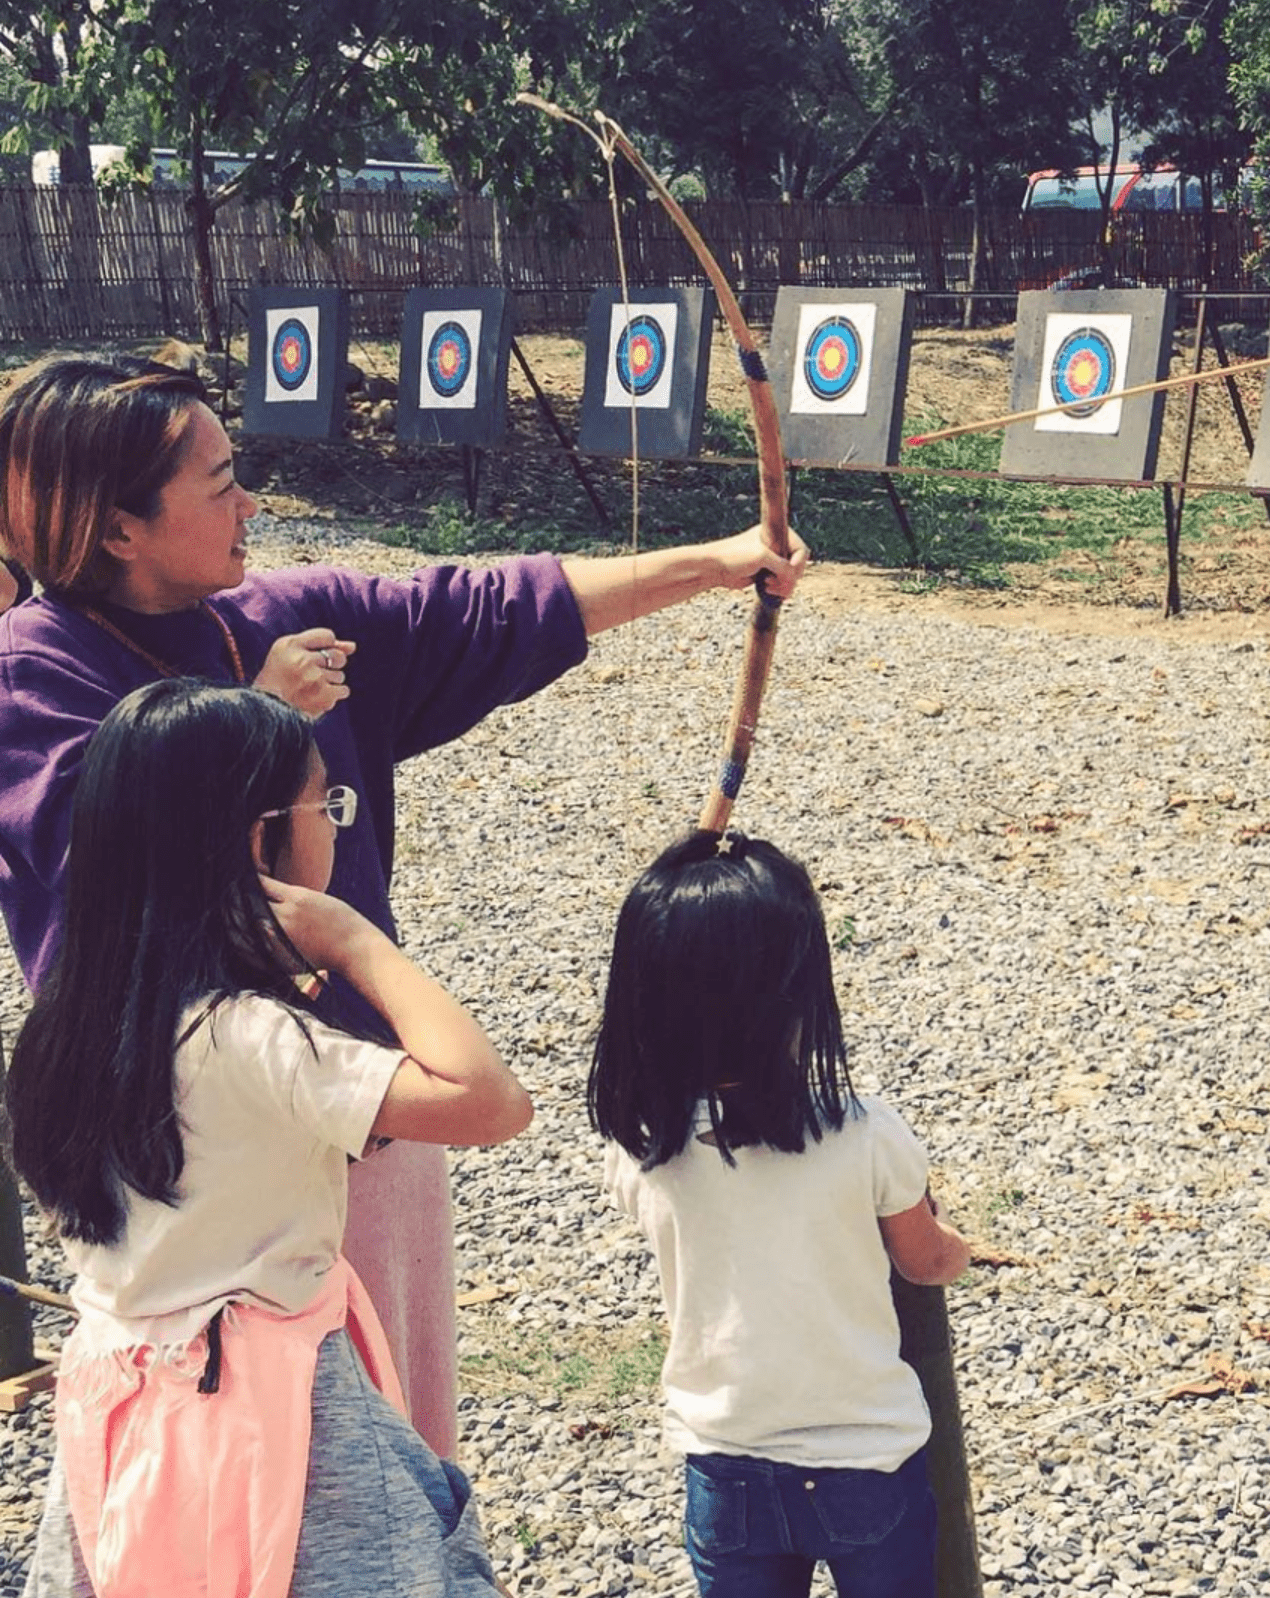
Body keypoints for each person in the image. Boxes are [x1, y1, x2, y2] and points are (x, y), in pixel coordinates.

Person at [0, 351, 806, 1454]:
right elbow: (98, 854)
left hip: (355, 1107)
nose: (252, 503)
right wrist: (255, 718)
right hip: (179, 1140)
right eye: (221, 483)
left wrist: (717, 564)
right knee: (207, 1445)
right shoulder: (31, 670)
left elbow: (487, 610)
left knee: (390, 1434)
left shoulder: (282, 611)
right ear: (118, 527)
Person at [4, 677, 532, 1596]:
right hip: (271, 1412)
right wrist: (355, 940)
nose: (337, 822)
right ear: (259, 838)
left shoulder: (64, 1032)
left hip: (119, 1400)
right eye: (326, 802)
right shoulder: (249, 1036)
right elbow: (489, 1101)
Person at [589, 832, 971, 1598]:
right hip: (866, 1460)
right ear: (799, 994)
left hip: (726, 1457)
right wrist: (957, 1244)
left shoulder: (641, 1153)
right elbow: (923, 1260)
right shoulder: (863, 1134)